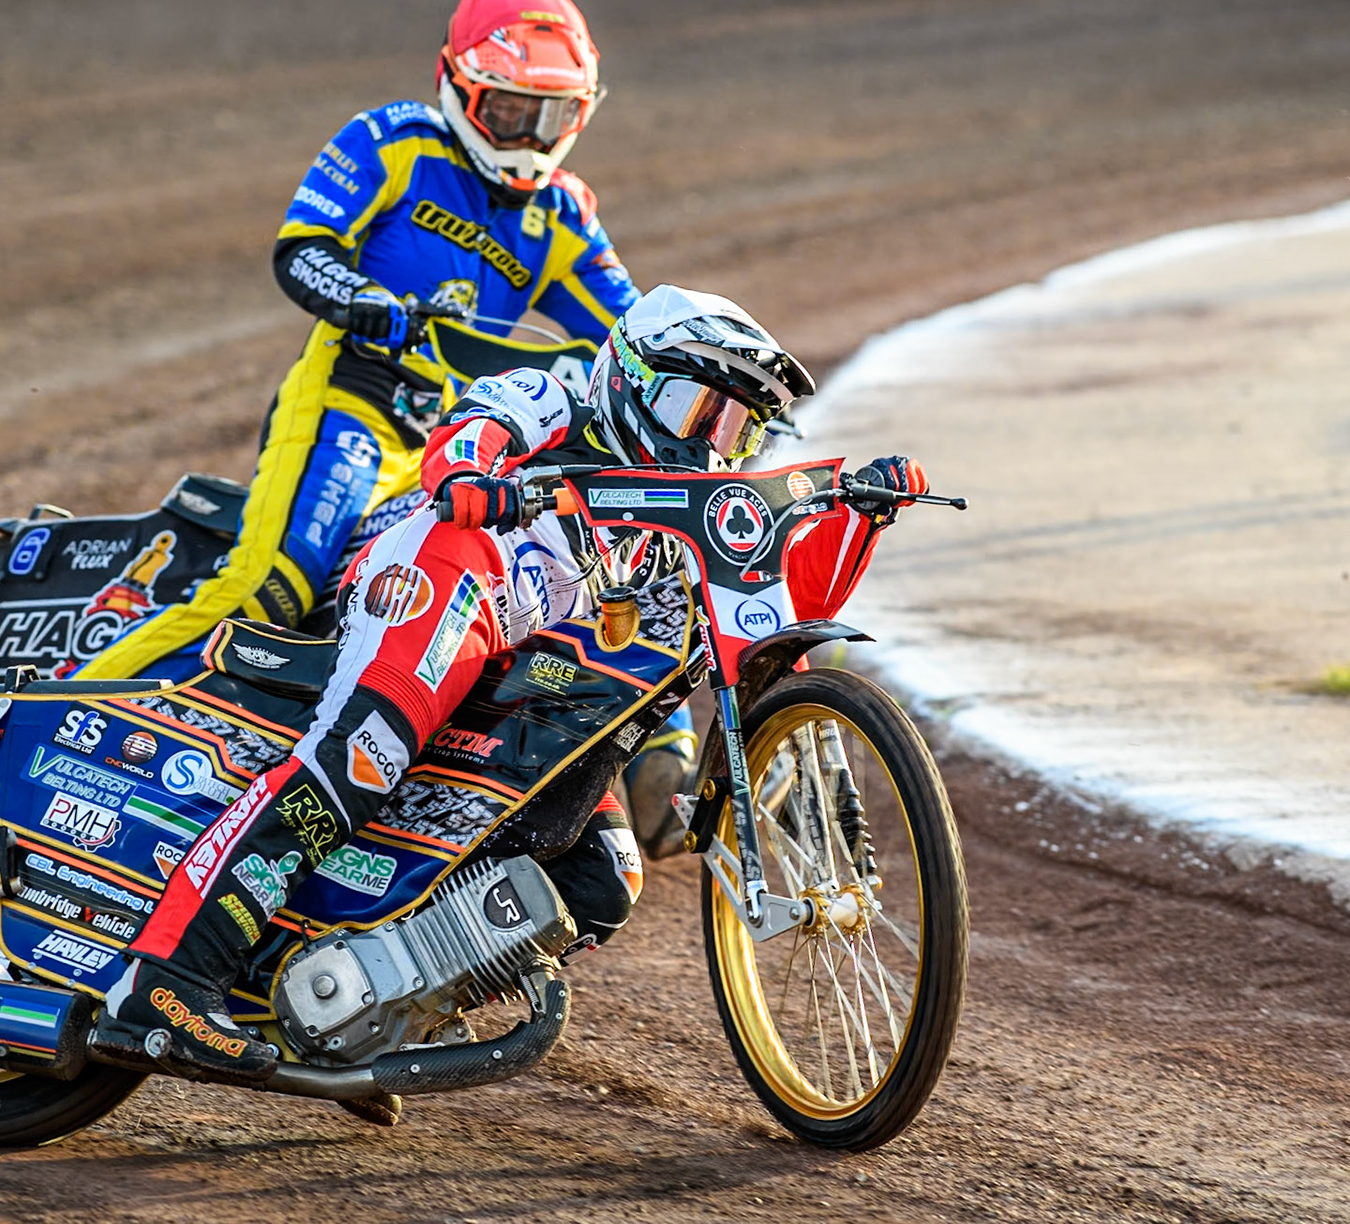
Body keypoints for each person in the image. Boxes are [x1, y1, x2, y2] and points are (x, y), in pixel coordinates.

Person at [90, 284, 931, 1087]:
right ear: (631, 377)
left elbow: (778, 613)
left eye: (737, 429)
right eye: (695, 409)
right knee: (358, 760)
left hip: (520, 667)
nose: (710, 444)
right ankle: (166, 979)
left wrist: (864, 513)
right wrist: (471, 478)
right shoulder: (554, 397)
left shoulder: (669, 529)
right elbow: (473, 432)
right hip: (443, 578)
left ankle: (371, 1013)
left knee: (603, 874)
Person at [72, 0, 696, 841]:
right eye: (510, 112)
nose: (530, 139)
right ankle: (43, 722)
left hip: (462, 437)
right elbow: (303, 248)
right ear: (458, 86)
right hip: (352, 401)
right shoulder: (391, 141)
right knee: (272, 586)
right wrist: (361, 298)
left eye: (552, 117)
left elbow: (632, 336)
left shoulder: (564, 214)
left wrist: (712, 384)